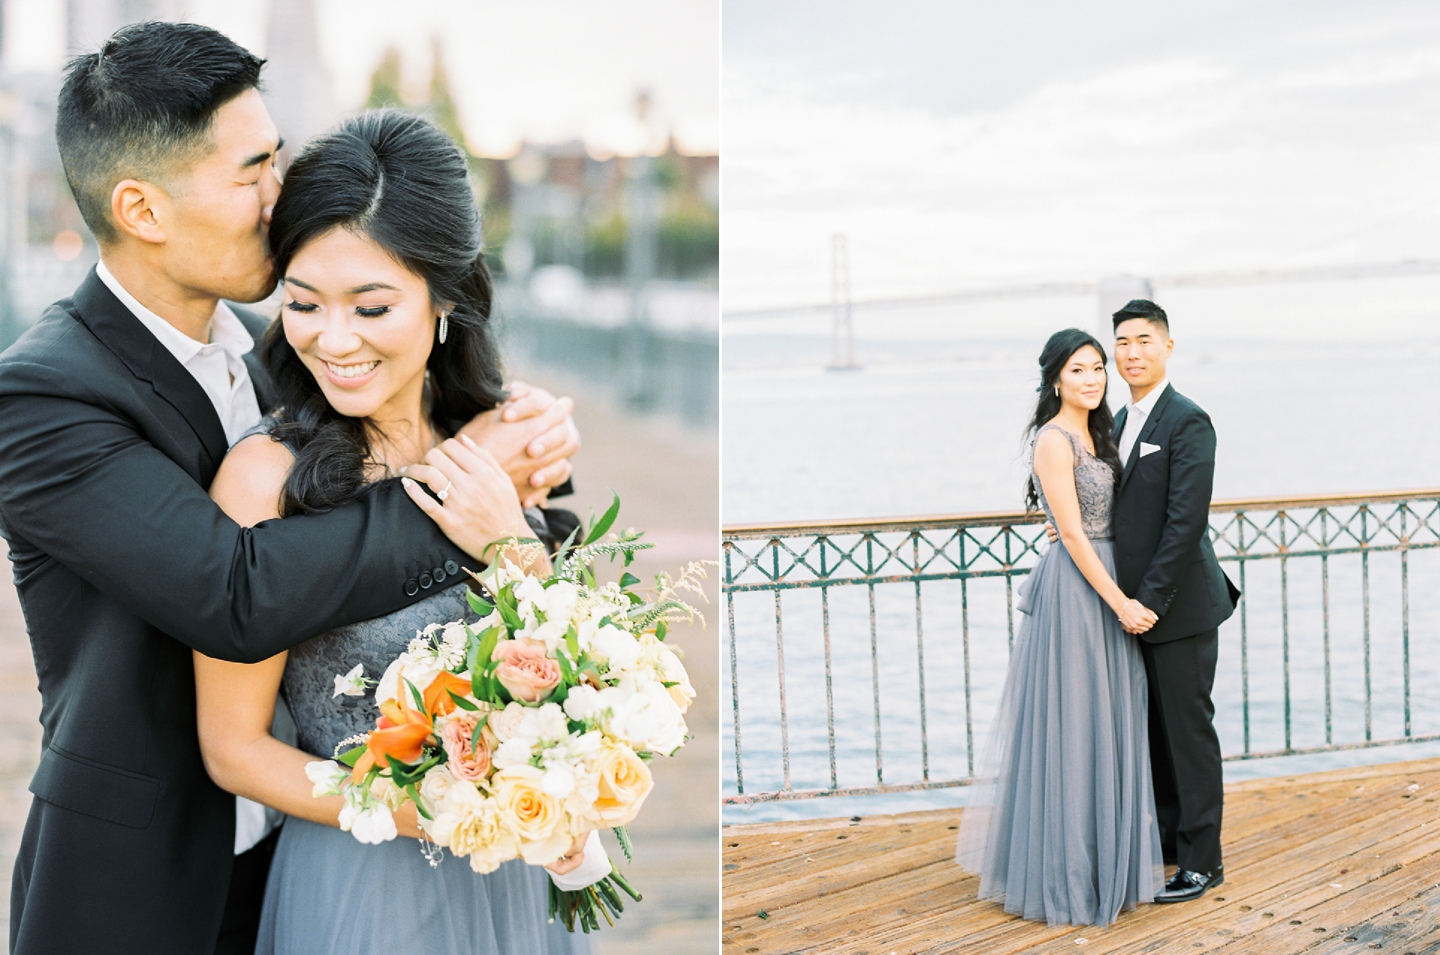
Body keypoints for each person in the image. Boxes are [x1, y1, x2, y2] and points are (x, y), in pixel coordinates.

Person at [0, 23, 579, 955]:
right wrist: (470, 487)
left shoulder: (278, 359)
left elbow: (387, 434)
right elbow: (233, 594)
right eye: (255, 170)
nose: (282, 195)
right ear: (143, 210)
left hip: (303, 861)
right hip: (144, 891)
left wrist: (522, 457)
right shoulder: (42, 393)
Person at [194, 108, 593, 955]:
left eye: (371, 306)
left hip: (517, 877)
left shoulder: (497, 438)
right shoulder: (264, 478)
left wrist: (510, 541)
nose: (332, 340)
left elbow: (575, 668)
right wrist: (433, 810)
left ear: (445, 295)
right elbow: (232, 749)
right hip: (360, 879)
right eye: (303, 303)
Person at [956, 328, 1163, 927]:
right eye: (1079, 369)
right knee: (1074, 727)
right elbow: (1071, 533)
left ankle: (1107, 866)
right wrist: (1122, 603)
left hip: (1109, 575)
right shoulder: (1053, 439)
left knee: (1111, 720)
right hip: (1082, 591)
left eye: (1099, 367)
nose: (1094, 378)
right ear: (1055, 380)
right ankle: (1067, 876)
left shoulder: (1103, 432)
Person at [1108, 300, 1240, 903]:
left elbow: (1186, 521)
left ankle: (1202, 862)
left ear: (1166, 347)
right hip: (1129, 607)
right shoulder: (1116, 419)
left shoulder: (1188, 420)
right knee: (1153, 732)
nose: (1131, 353)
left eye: (1142, 341)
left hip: (1178, 606)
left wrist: (1149, 601)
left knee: (1187, 734)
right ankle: (1167, 844)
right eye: (1122, 343)